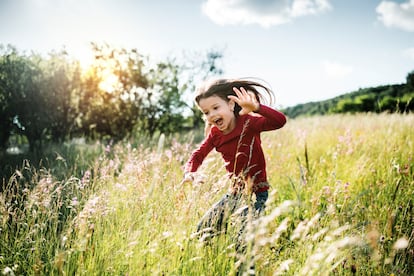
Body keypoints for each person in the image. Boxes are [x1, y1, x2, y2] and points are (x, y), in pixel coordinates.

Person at [183, 78, 287, 241]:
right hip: (235, 193)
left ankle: (247, 264)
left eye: (216, 107)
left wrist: (257, 108)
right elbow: (198, 154)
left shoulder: (249, 123)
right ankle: (213, 257)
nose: (212, 115)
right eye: (206, 112)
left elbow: (280, 121)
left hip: (258, 193)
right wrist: (190, 172)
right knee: (203, 232)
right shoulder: (215, 134)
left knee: (243, 239)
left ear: (231, 105)